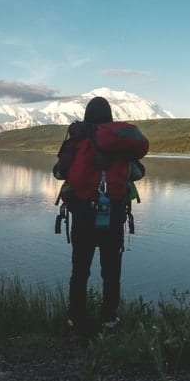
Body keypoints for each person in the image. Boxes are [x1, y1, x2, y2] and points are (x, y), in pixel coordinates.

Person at [56, 96, 148, 338]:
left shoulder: (79, 139)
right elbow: (138, 172)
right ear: (109, 116)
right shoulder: (119, 143)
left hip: (83, 215)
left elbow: (59, 172)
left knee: (80, 270)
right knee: (111, 271)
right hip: (114, 216)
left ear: (87, 115)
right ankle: (109, 320)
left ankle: (76, 322)